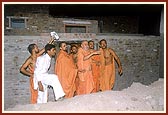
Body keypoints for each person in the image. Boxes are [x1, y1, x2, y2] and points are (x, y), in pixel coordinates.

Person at [20, 38, 54, 104]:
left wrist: (52, 39)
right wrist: (31, 74)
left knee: (43, 93)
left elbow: (46, 48)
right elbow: (22, 69)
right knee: (36, 94)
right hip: (34, 79)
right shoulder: (30, 59)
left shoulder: (38, 56)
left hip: (41, 77)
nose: (38, 48)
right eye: (36, 47)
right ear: (33, 49)